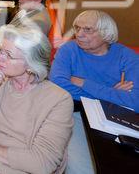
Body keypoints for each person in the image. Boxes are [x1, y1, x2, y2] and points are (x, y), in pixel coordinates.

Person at [0, 25, 73, 174]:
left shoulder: (59, 100)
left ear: (31, 63)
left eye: (8, 54)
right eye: (0, 51)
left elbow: (42, 164)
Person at [49, 10, 139, 174]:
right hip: (73, 111)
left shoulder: (127, 57)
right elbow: (57, 85)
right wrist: (112, 93)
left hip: (113, 119)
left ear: (106, 33)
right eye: (77, 28)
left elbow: (135, 102)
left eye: (87, 29)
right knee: (81, 168)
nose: (79, 34)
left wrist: (84, 83)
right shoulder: (69, 50)